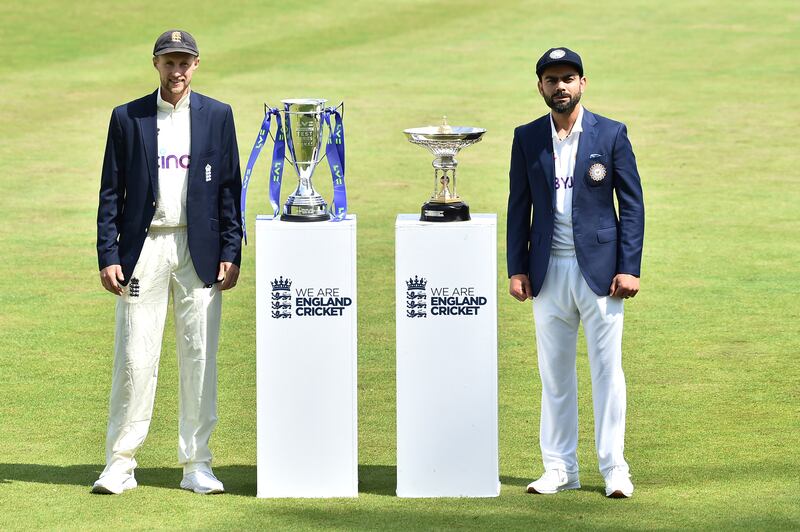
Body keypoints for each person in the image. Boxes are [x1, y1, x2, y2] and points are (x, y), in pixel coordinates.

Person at [93, 30, 242, 495]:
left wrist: (232, 251)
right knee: (136, 357)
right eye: (168, 62)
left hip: (198, 251)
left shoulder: (217, 116)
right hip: (144, 250)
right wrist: (108, 253)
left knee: (199, 356)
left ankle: (197, 464)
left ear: (196, 65)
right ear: (155, 64)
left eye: (184, 62)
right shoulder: (128, 117)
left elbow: (229, 189)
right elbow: (111, 191)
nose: (176, 71)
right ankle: (120, 463)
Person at [506, 47, 644, 498]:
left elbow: (633, 204)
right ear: (540, 87)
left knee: (608, 371)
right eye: (551, 79)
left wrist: (629, 267)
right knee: (555, 374)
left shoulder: (611, 133)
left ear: (583, 83)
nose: (560, 86)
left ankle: (614, 469)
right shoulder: (527, 137)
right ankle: (560, 468)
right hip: (548, 272)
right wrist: (516, 268)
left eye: (568, 78)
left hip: (601, 274)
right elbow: (518, 206)